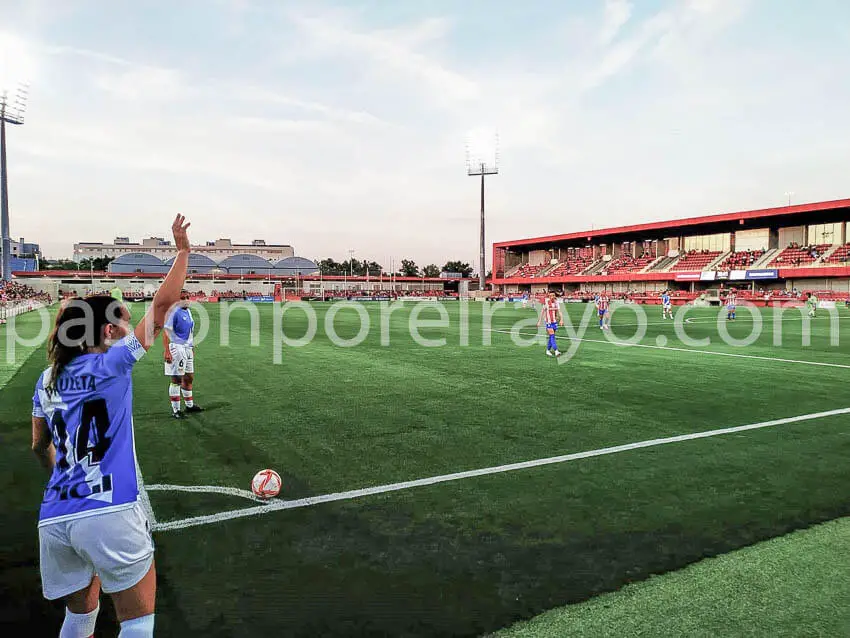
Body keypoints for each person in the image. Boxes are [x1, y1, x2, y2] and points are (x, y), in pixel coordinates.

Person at [30, 214, 191, 638]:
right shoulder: (111, 364)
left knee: (80, 617)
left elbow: (37, 446)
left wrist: (68, 479)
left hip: (55, 517)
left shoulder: (45, 380)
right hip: (109, 510)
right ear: (105, 330)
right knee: (137, 622)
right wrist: (183, 252)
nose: (126, 327)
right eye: (121, 321)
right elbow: (160, 309)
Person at [163, 290, 203, 418]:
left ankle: (189, 405)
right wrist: (167, 350)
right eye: (182, 298)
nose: (186, 299)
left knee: (189, 377)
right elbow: (166, 332)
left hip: (187, 348)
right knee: (176, 380)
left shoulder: (188, 311)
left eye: (187, 297)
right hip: (177, 348)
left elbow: (190, 331)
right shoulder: (173, 312)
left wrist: (191, 347)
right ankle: (176, 410)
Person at [537, 292, 564, 357]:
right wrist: (539, 321)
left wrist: (561, 319)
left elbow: (559, 312)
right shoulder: (546, 303)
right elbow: (542, 312)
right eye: (550, 295)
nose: (552, 296)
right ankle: (556, 351)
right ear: (549, 296)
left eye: (553, 295)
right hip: (548, 322)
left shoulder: (556, 303)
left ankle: (548, 350)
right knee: (552, 336)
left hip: (554, 322)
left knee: (551, 337)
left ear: (555, 296)